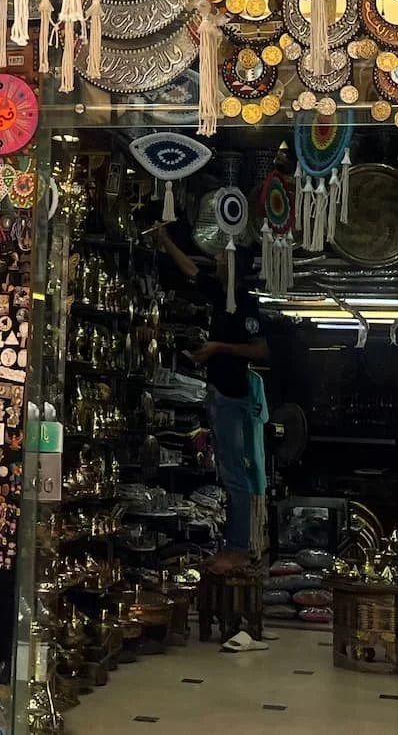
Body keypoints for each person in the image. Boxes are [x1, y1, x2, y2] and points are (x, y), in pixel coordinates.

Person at [152, 215, 268, 572]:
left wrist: (219, 348)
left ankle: (237, 549)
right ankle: (234, 546)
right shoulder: (221, 294)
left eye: (222, 258)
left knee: (235, 475)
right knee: (229, 472)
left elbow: (262, 351)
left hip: (233, 397)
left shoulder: (246, 304)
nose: (216, 260)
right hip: (219, 394)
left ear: (233, 267)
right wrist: (164, 239)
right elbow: (190, 269)